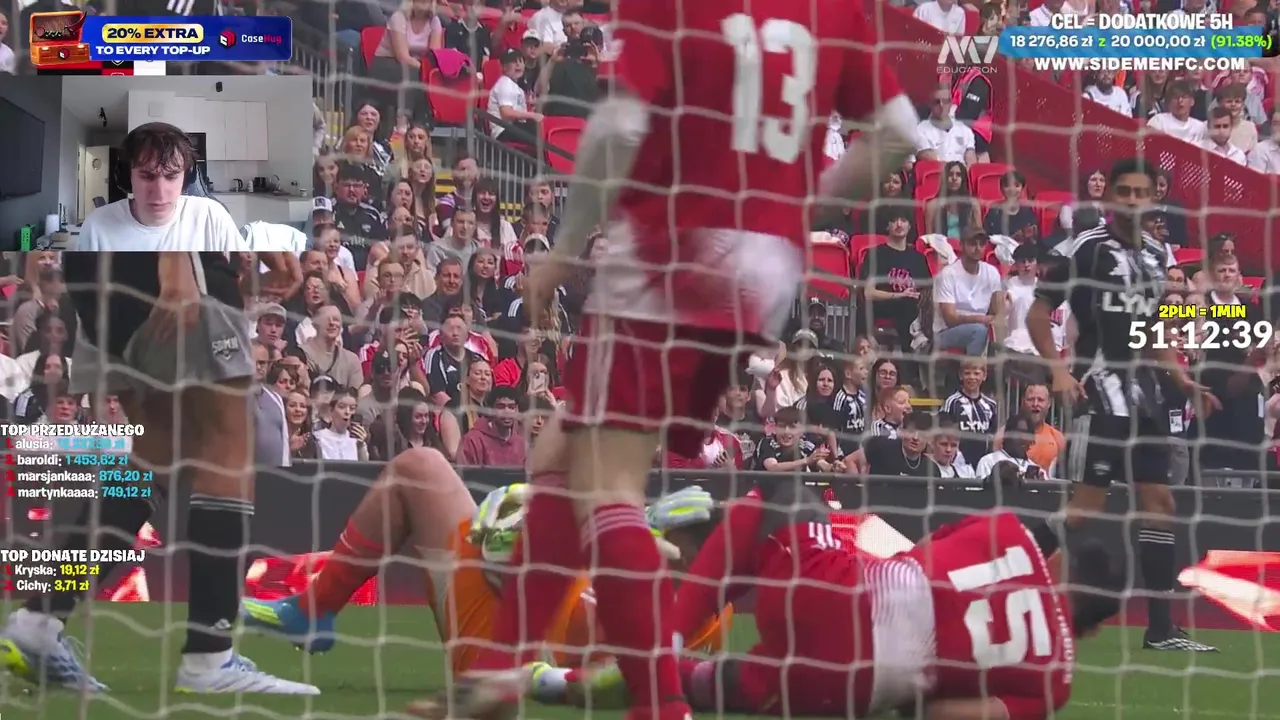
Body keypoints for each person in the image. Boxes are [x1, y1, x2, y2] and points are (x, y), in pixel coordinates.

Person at [414, 0, 920, 717]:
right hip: (765, 272)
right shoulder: (832, 10)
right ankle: (502, 668)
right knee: (564, 454)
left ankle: (661, 706)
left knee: (608, 488)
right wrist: (798, 208)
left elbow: (621, 127)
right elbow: (899, 134)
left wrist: (563, 249)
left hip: (671, 247)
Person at [2, 122, 309, 693]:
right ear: (127, 176)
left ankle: (38, 622)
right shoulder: (105, 225)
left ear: (187, 176)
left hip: (114, 316)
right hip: (167, 295)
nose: (160, 190)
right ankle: (210, 658)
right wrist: (175, 270)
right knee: (225, 449)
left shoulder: (206, 213)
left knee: (153, 469)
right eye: (147, 176)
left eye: (172, 176)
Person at [552, 482, 1126, 719]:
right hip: (846, 693)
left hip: (837, 597)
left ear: (1059, 561)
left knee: (781, 496)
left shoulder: (1008, 531)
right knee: (717, 685)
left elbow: (920, 554)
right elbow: (946, 716)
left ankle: (667, 636)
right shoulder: (1057, 682)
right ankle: (553, 684)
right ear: (1096, 627)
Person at [240, 453, 730, 672]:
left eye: (665, 539)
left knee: (419, 472)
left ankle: (311, 612)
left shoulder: (678, 627)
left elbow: (590, 661)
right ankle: (313, 611)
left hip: (501, 648)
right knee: (420, 466)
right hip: (507, 593)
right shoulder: (651, 573)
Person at [1024, 157, 1220, 653]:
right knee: (1084, 510)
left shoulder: (1157, 256)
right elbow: (1038, 313)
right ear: (1111, 197)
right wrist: (1059, 370)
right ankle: (1003, 570)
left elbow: (1153, 334)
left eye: (1141, 192)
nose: (1133, 200)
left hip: (1147, 399)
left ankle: (1161, 630)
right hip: (1099, 393)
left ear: (1153, 198)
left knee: (1160, 504)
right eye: (1125, 192)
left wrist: (1183, 381)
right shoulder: (1085, 249)